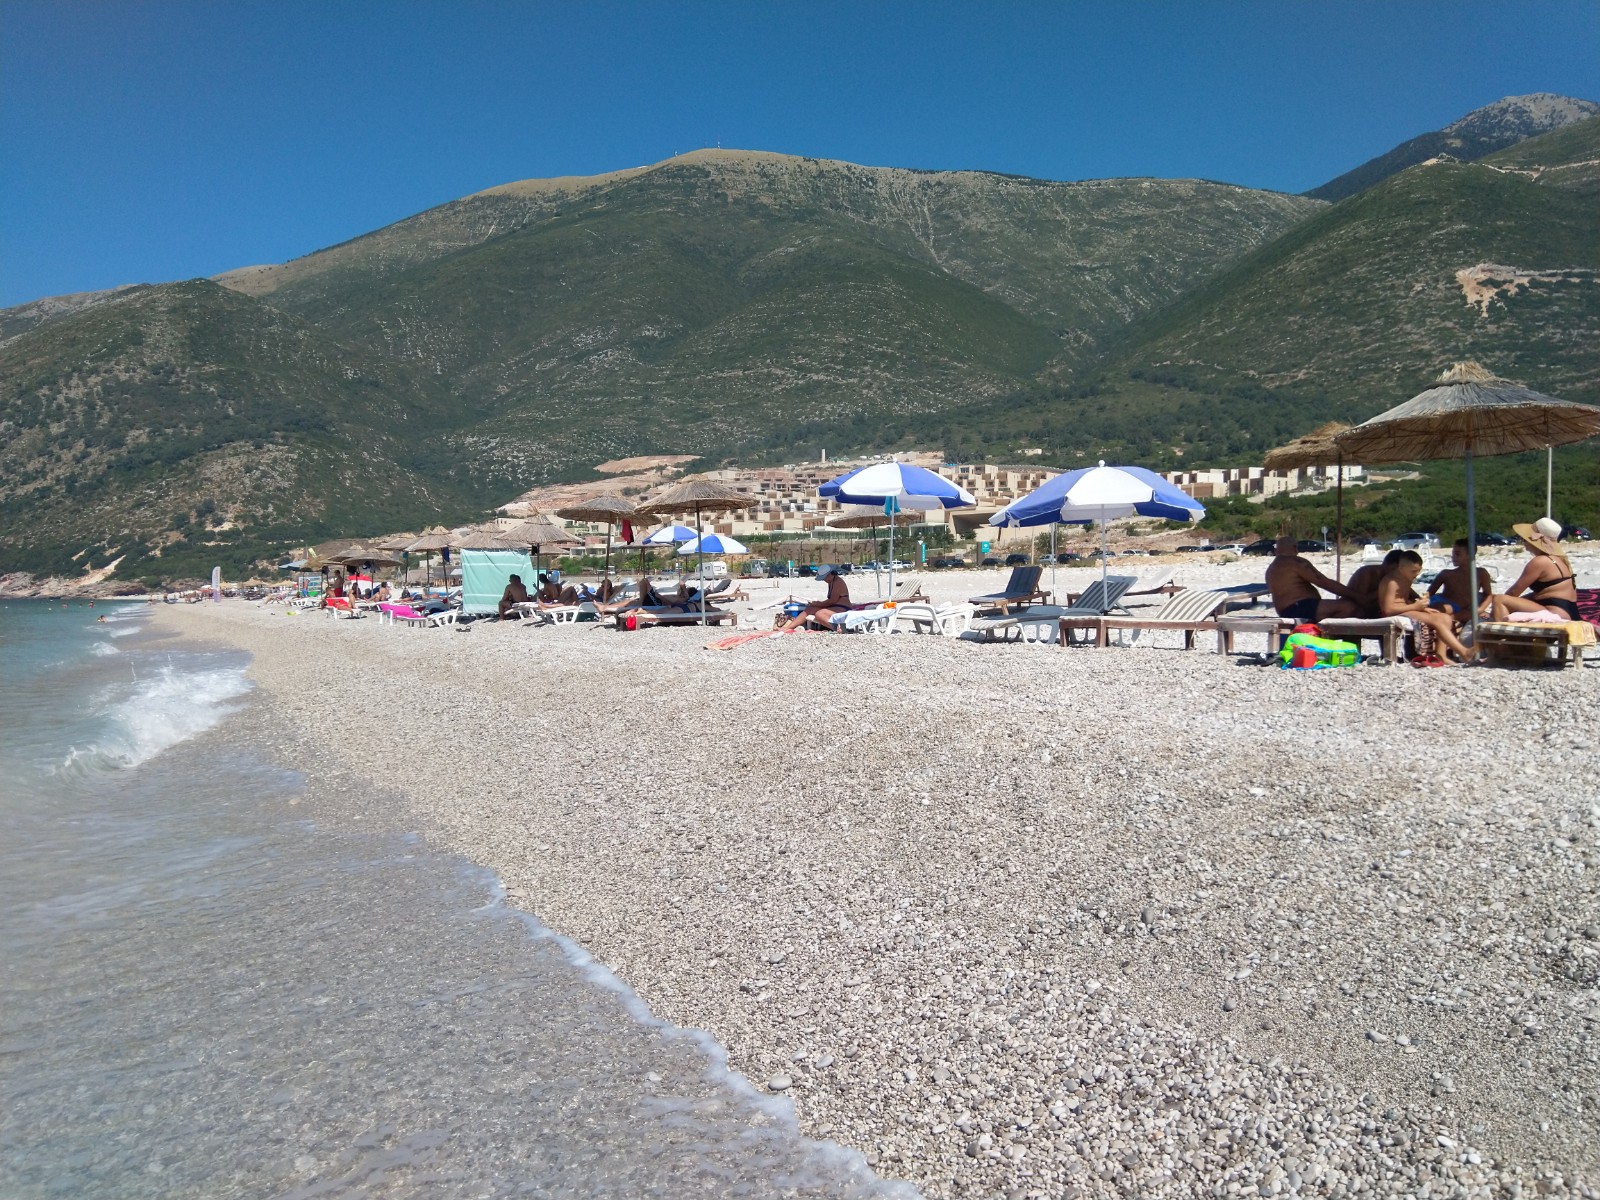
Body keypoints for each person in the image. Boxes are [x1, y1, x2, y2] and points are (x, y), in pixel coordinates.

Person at [1379, 550, 1476, 664]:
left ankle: (1441, 655)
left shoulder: (1405, 577)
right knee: (1436, 620)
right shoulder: (1392, 582)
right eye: (1413, 571)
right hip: (1395, 612)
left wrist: (1423, 606)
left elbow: (1407, 596)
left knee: (1445, 617)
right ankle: (1464, 652)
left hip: (1407, 608)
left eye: (1419, 571)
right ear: (1401, 567)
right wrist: (1415, 606)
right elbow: (1388, 609)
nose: (1416, 574)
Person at [1490, 518, 1580, 621]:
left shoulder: (1539, 562)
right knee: (1525, 598)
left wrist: (1495, 609)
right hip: (1569, 611)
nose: (1524, 542)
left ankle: (1501, 634)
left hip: (1556, 612)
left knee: (1499, 599)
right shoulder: (1559, 559)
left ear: (1535, 540)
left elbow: (1513, 592)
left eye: (1525, 539)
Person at [1264, 536, 1359, 622]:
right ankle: (1327, 636)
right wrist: (1355, 596)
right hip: (1299, 608)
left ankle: (1326, 634)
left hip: (1286, 610)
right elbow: (1323, 582)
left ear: (1276, 550)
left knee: (1342, 607)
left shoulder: (1271, 569)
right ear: (1295, 548)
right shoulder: (1296, 562)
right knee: (1348, 607)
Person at [1427, 540, 1492, 619]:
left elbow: (1488, 595)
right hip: (1445, 603)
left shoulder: (1481, 573)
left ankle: (1452, 618)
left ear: (1470, 555)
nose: (1453, 557)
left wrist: (1480, 609)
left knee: (1468, 613)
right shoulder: (1446, 574)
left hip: (1463, 608)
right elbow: (1429, 593)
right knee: (1446, 608)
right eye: (1453, 553)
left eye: (1457, 554)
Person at [781, 564, 852, 631]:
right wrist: (816, 604)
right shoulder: (832, 582)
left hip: (843, 608)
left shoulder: (838, 582)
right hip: (836, 607)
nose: (824, 580)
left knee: (819, 614)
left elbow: (832, 601)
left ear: (830, 574)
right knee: (810, 609)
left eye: (824, 577)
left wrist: (818, 604)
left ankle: (840, 628)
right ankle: (788, 628)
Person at [1344, 549, 1405, 617]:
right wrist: (1384, 590)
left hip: (1373, 610)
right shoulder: (1367, 573)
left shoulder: (1394, 577)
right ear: (1385, 564)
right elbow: (1361, 600)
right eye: (1393, 569)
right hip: (1353, 609)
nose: (1395, 573)